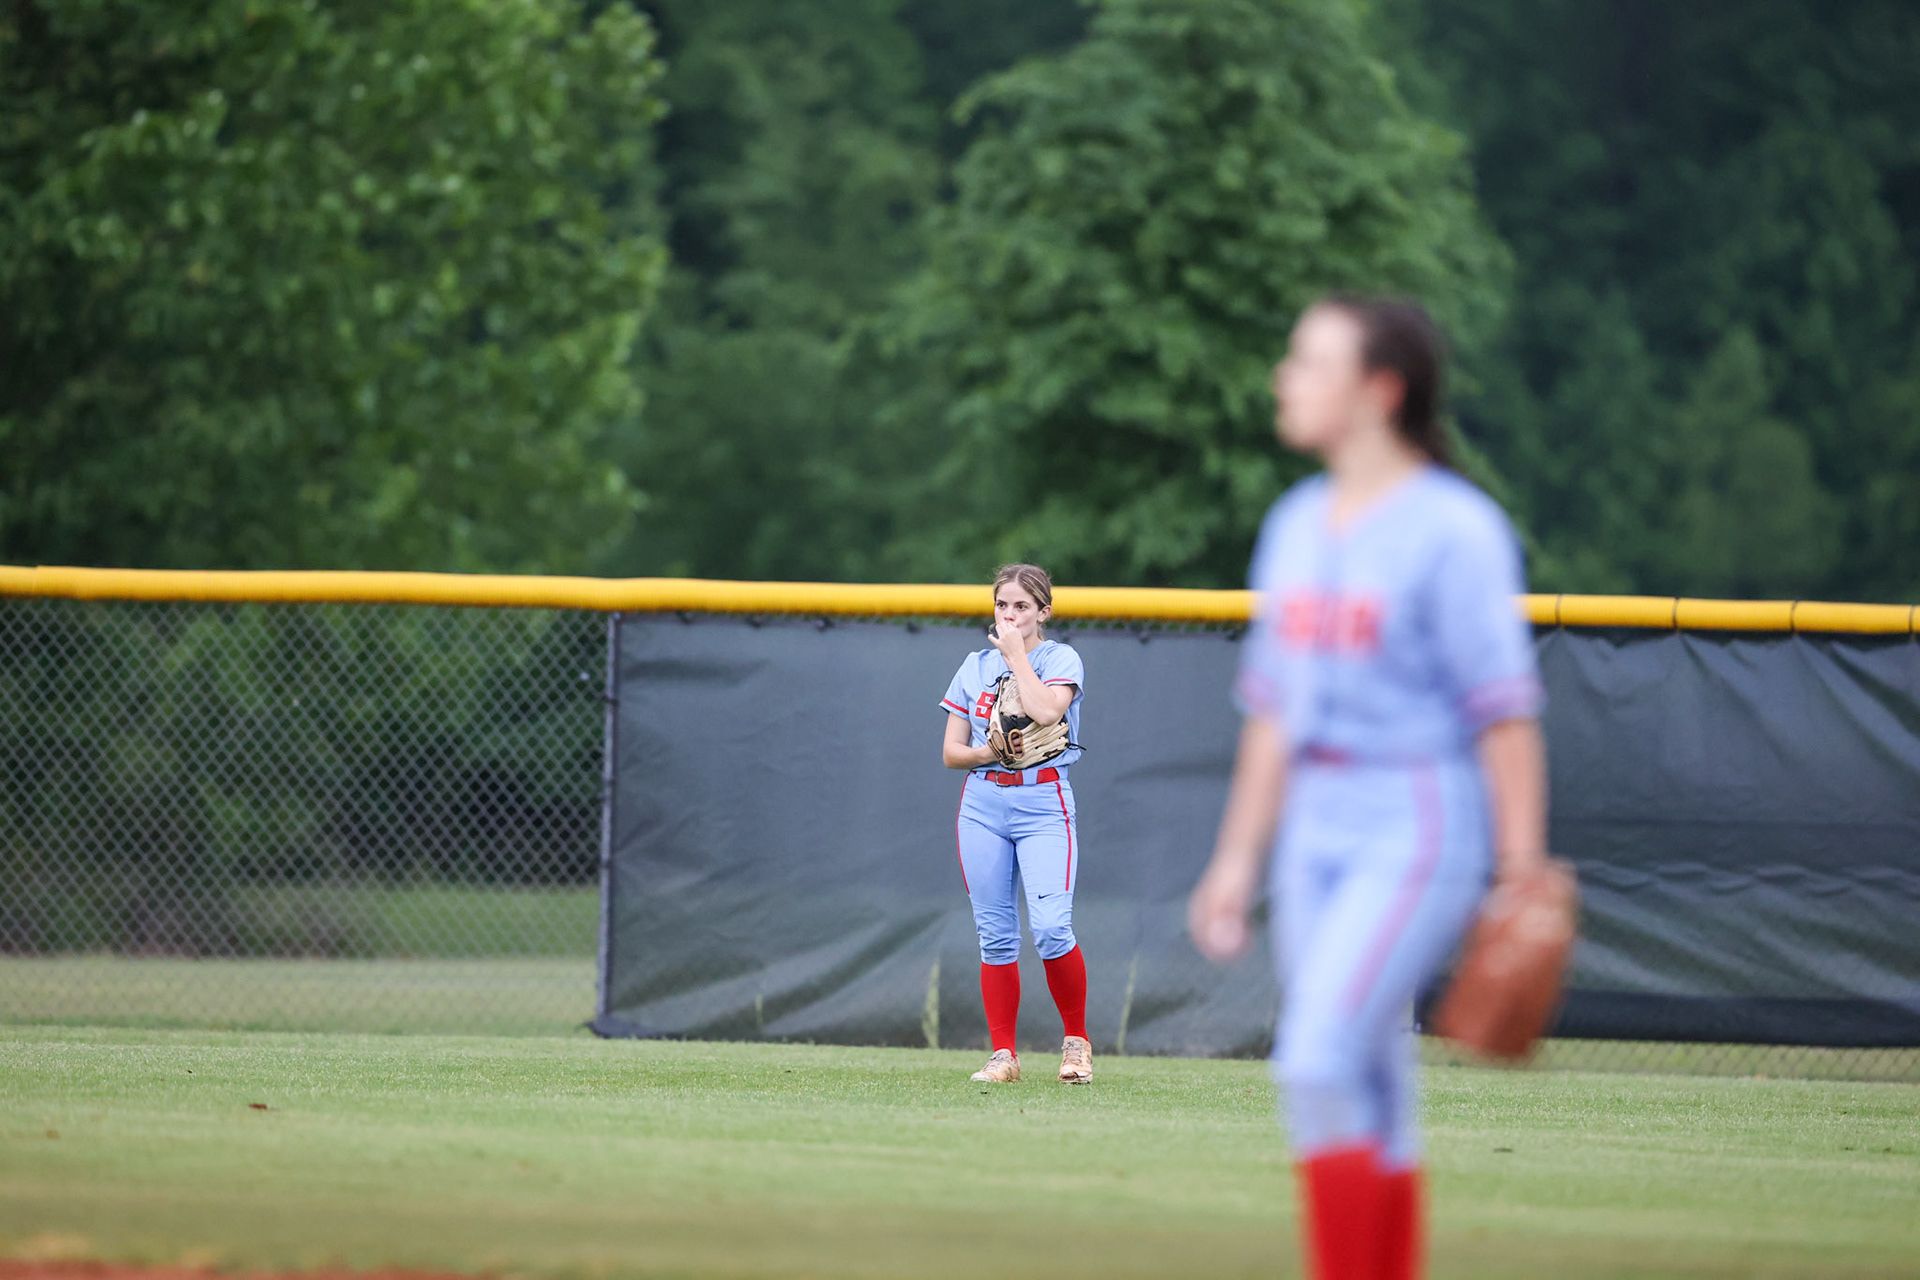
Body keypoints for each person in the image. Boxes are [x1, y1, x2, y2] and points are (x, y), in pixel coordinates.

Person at [1187, 296, 1549, 1280]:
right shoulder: (1296, 524)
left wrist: (1520, 867)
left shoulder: (1455, 529)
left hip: (1416, 818)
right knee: (1374, 1080)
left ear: (1379, 391)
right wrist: (1234, 860)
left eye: (1310, 361)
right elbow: (1273, 712)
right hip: (1314, 824)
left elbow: (1504, 711)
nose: (1284, 377)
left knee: (1313, 1057)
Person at [939, 563, 1093, 1085]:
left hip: (1044, 801)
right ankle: (1003, 1055)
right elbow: (951, 753)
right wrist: (989, 750)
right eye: (1002, 605)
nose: (1009, 615)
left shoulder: (1059, 657)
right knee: (996, 937)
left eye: (1022, 606)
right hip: (983, 804)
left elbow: (1048, 711)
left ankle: (1076, 1043)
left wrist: (1016, 656)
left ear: (1043, 612)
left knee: (1051, 929)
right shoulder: (973, 665)